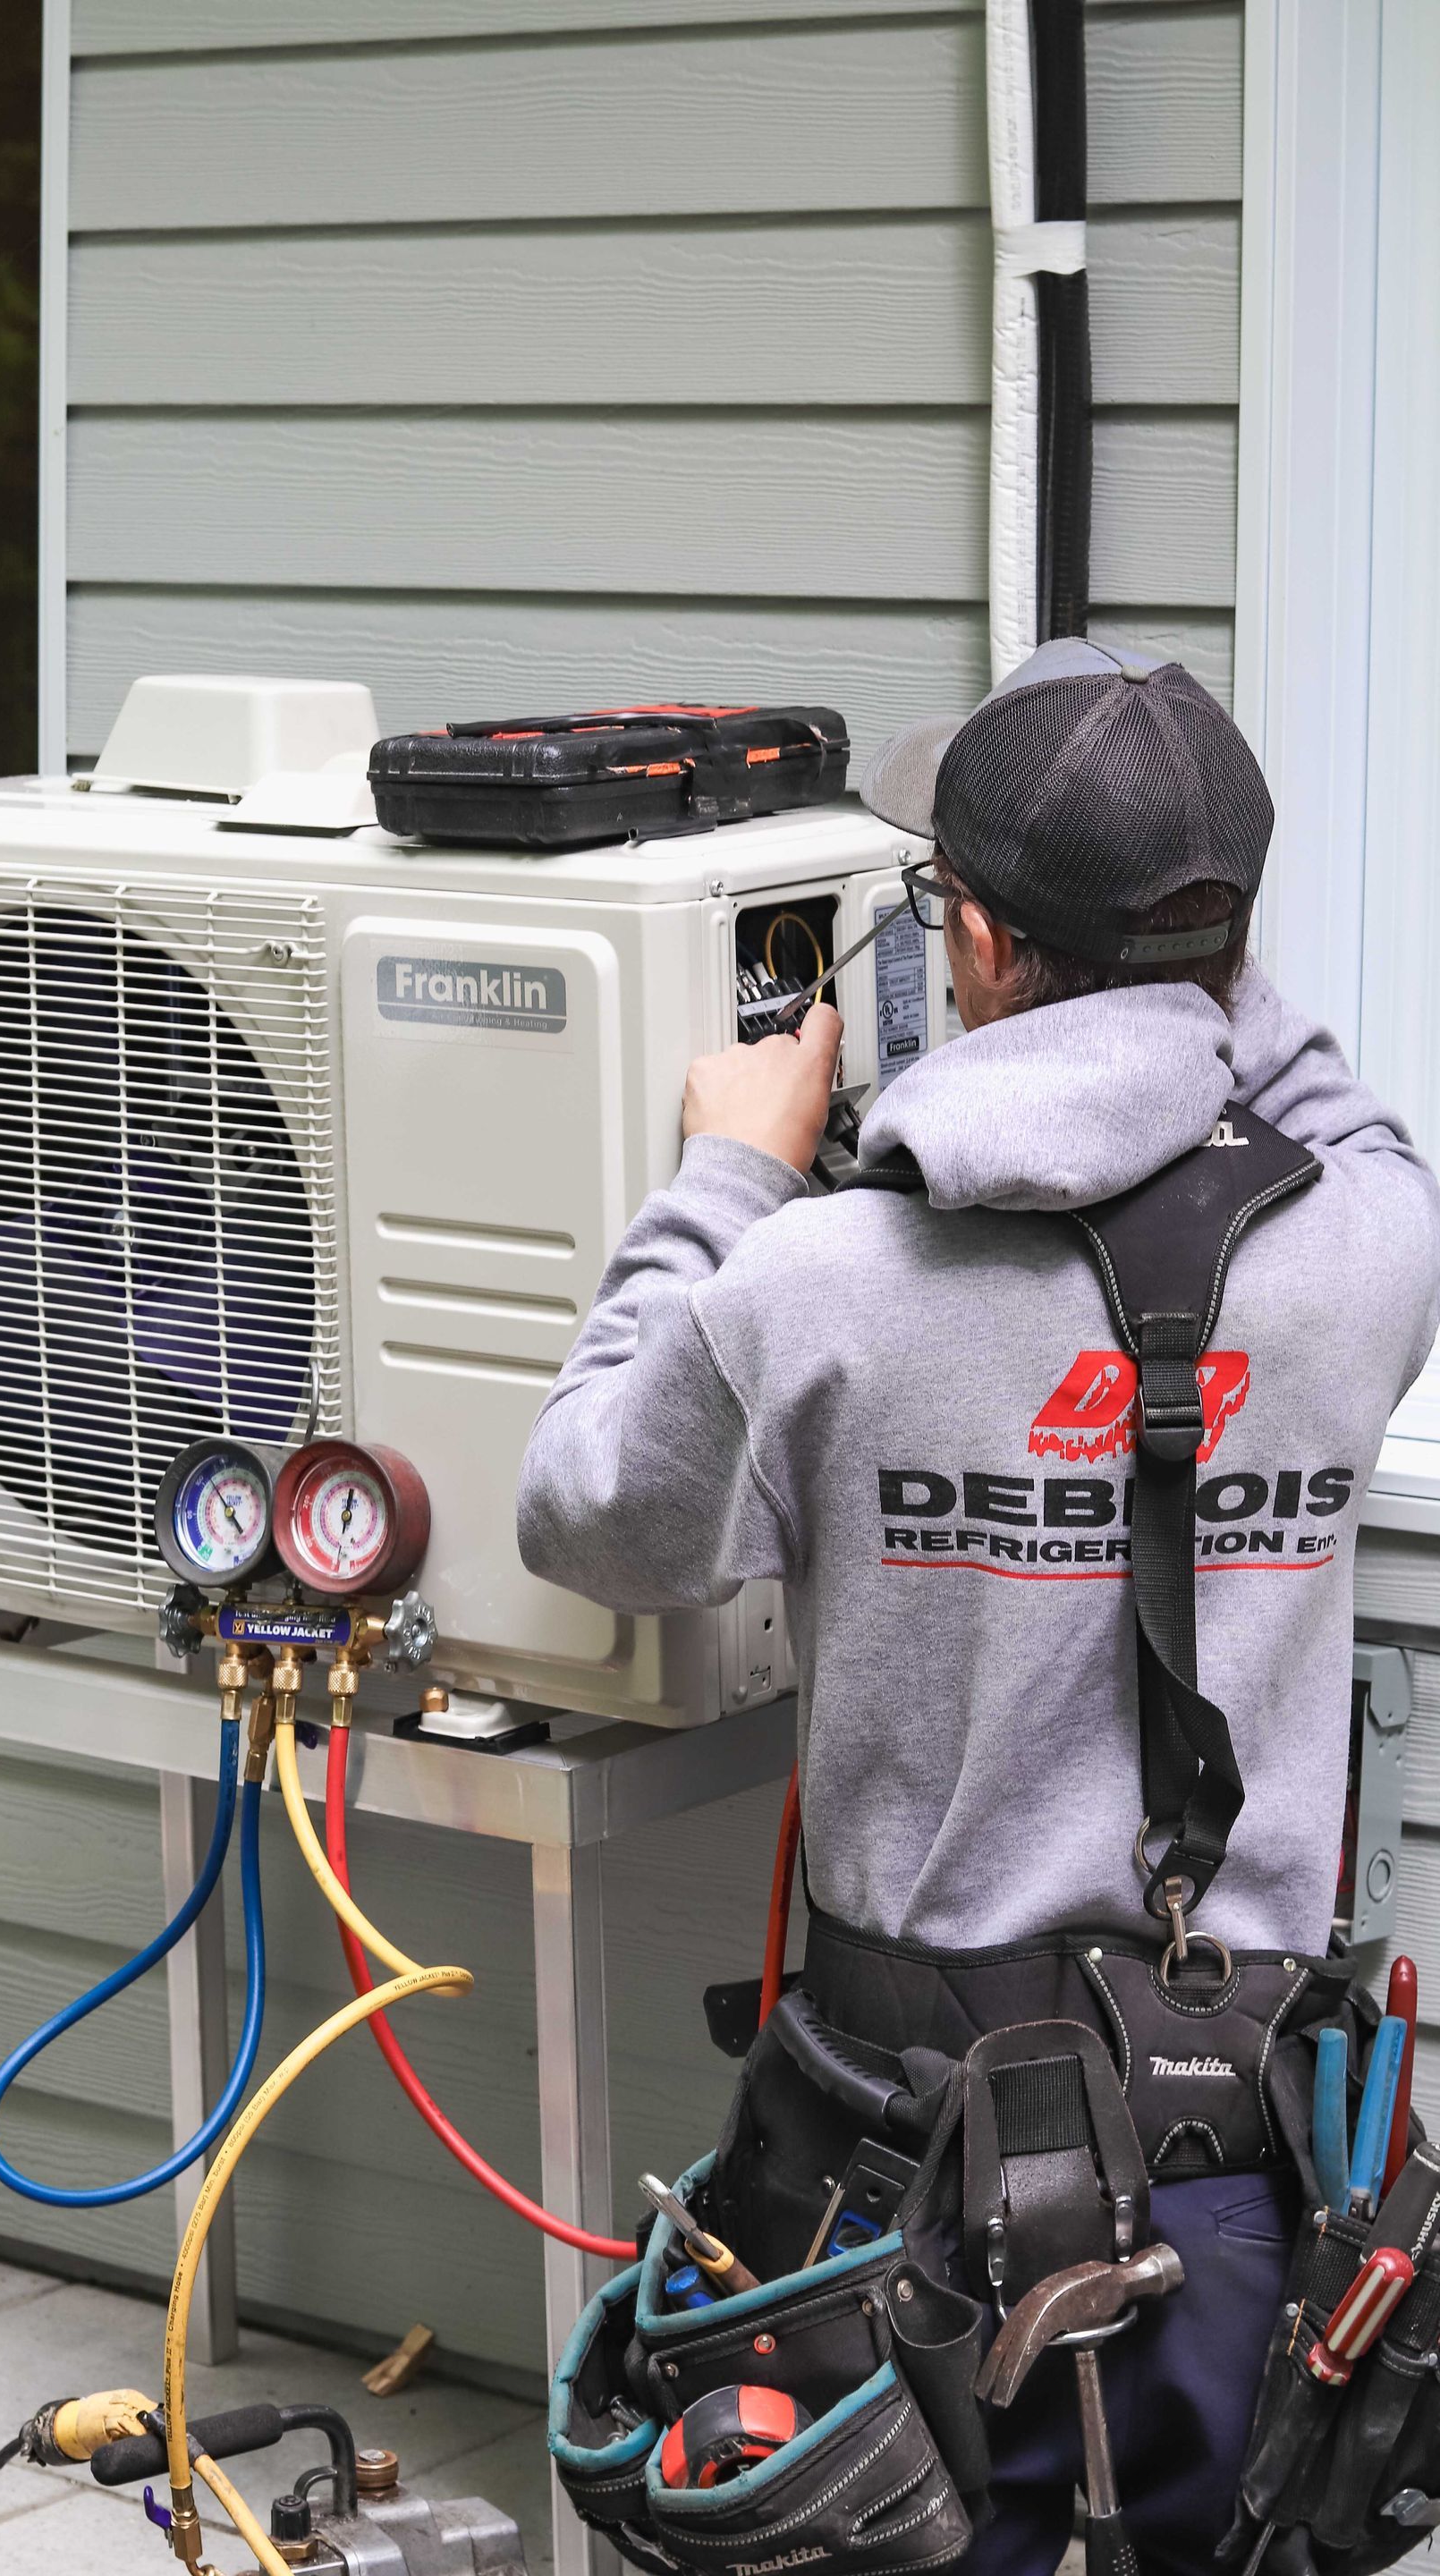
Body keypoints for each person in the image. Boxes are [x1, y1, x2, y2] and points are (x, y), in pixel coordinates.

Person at [516, 638, 1440, 2572]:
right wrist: (1186, 957)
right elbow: (1308, 1078)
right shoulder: (1369, 1245)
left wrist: (728, 1167)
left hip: (903, 2182)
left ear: (982, 947)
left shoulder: (822, 1280)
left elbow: (588, 1514)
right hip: (1256, 2186)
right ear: (1224, 943)